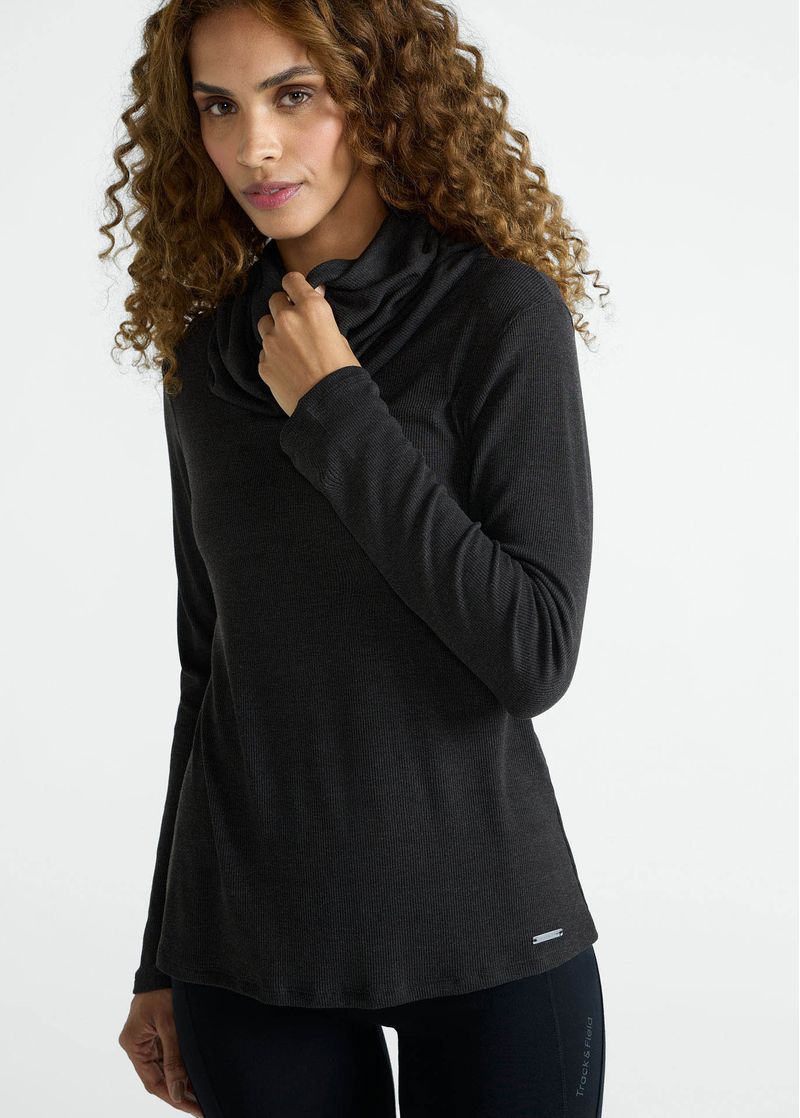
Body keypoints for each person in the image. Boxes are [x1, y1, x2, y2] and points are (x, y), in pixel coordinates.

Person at [104, 1, 611, 1114]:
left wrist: (338, 406)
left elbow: (533, 651)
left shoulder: (495, 313)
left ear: (378, 99)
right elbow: (210, 670)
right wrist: (160, 955)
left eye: (294, 95)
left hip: (487, 929)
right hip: (247, 950)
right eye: (218, 106)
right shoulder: (208, 356)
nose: (254, 146)